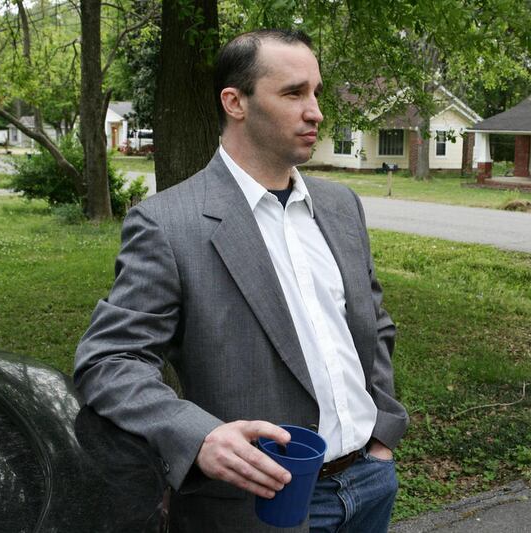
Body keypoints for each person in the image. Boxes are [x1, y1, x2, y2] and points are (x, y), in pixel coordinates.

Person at [73, 28, 408, 532]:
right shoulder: (169, 224)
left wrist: (383, 430)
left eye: (315, 92)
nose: (315, 111)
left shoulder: (341, 207)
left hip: (370, 482)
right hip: (255, 508)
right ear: (235, 102)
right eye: (294, 93)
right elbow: (109, 361)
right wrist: (198, 436)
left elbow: (373, 324)